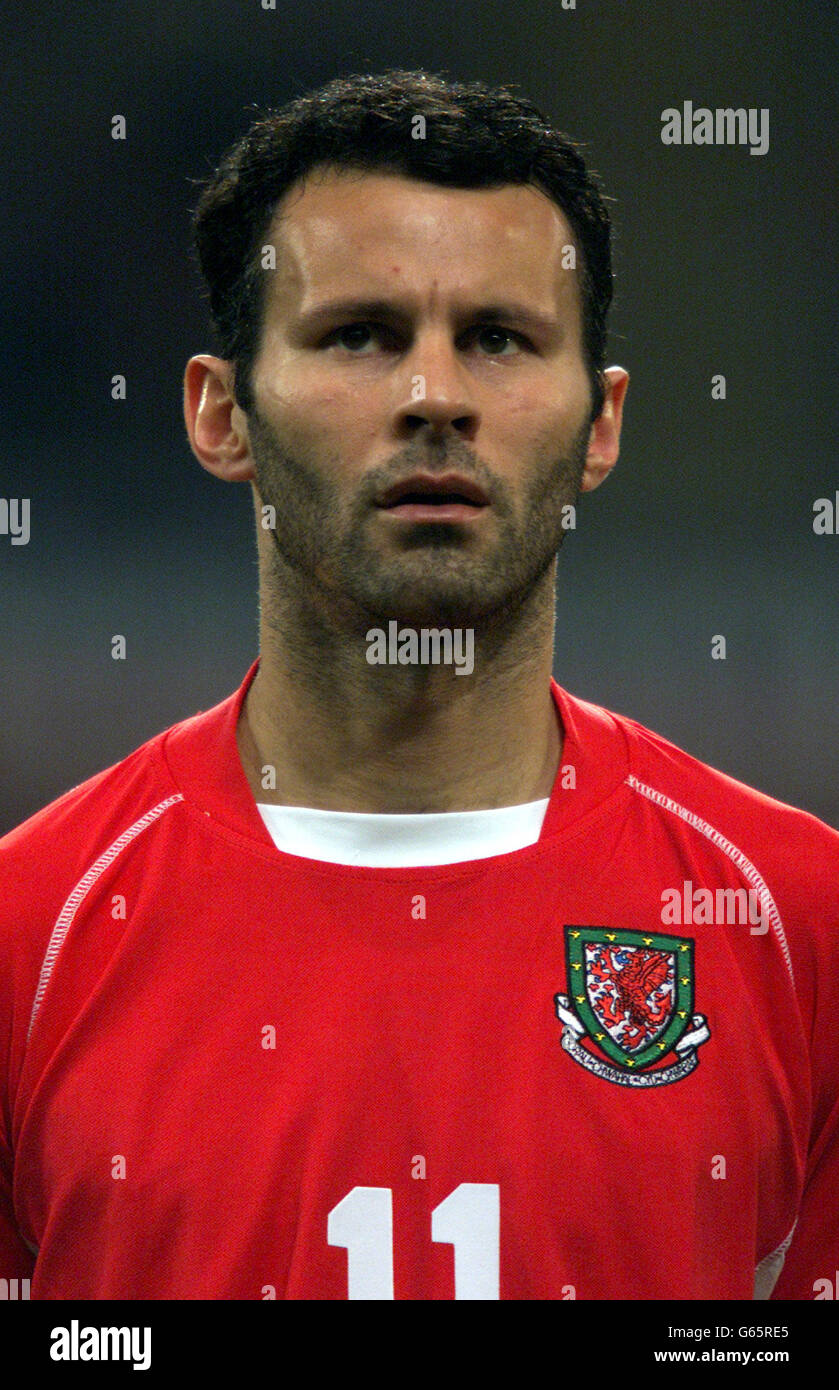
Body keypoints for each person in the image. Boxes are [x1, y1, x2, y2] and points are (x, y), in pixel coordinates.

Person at [1, 69, 836, 1302]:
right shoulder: (34, 933)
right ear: (219, 412)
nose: (433, 396)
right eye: (360, 335)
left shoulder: (795, 921)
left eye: (497, 339)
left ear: (599, 426)